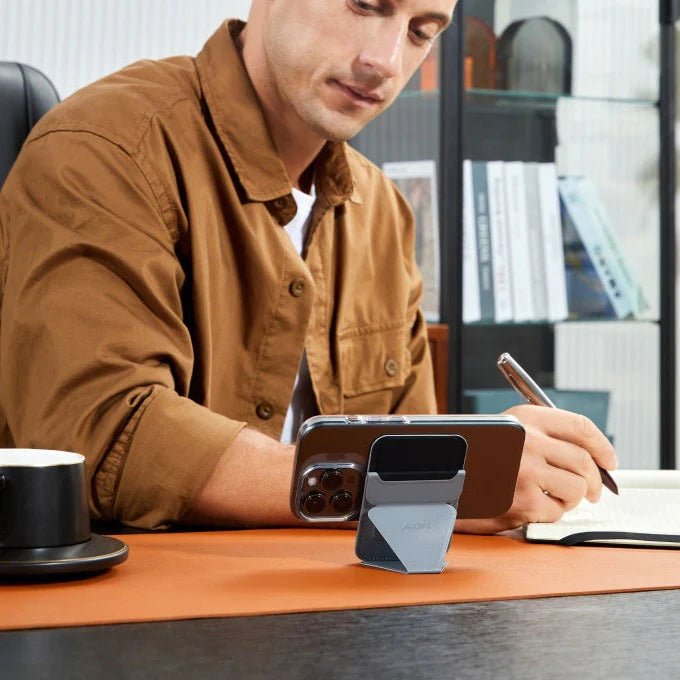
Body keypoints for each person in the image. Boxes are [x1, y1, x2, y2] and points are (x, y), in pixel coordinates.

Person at [0, 0, 616, 533]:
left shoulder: (384, 212)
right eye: (364, 4)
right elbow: (99, 438)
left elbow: (413, 480)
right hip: (139, 615)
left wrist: (471, 473)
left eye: (421, 31)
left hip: (336, 608)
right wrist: (423, 480)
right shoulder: (105, 150)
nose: (386, 60)